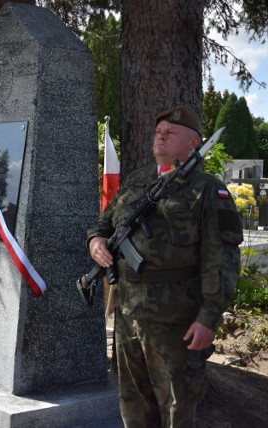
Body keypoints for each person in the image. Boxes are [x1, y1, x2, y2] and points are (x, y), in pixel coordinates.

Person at [86, 106, 242, 427]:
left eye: (171, 132)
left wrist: (208, 318)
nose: (161, 135)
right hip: (129, 317)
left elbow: (222, 259)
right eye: (159, 130)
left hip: (176, 323)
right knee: (133, 406)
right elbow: (104, 225)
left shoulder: (209, 190)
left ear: (194, 143)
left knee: (176, 409)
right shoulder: (138, 180)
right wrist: (96, 243)